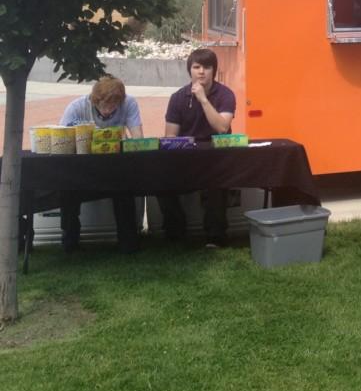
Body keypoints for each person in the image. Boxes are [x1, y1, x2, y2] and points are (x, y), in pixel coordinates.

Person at [157, 48, 237, 247]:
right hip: (187, 157)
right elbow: (170, 136)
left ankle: (215, 237)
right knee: (159, 181)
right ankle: (176, 233)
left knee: (217, 183)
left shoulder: (225, 94)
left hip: (217, 157)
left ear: (214, 71)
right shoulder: (177, 97)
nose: (201, 72)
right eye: (196, 67)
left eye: (207, 67)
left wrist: (203, 99)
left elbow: (222, 127)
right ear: (190, 70)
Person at [59, 77, 143, 253]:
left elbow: (138, 140)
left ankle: (128, 242)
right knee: (67, 189)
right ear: (94, 100)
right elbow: (62, 142)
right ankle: (70, 241)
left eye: (113, 106)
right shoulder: (77, 107)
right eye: (103, 105)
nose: (107, 111)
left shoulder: (129, 103)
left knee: (125, 188)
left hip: (116, 169)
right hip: (83, 170)